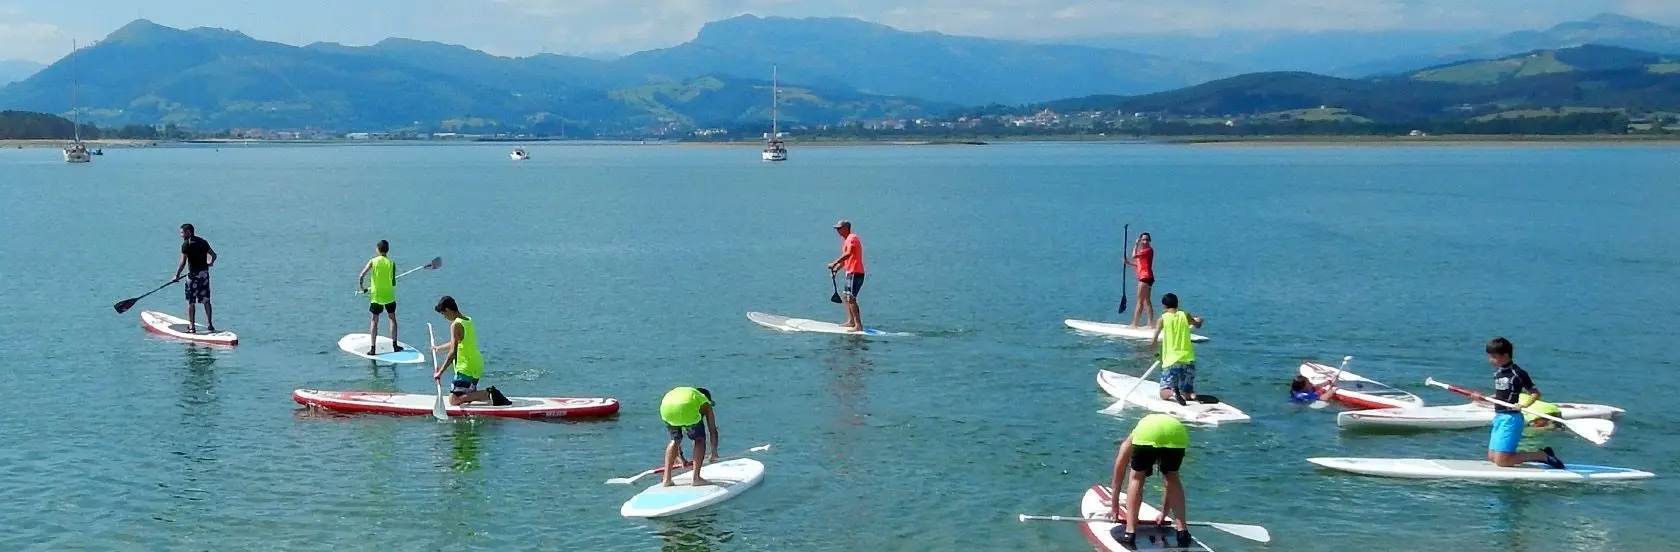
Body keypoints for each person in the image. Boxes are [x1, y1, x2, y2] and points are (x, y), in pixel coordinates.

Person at [1108, 413, 1192, 550]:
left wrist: (1114, 506)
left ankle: (1130, 533)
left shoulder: (1135, 435)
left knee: (1136, 478)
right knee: (1172, 478)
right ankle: (1182, 532)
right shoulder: (1157, 424)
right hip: (1177, 432)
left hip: (1149, 433)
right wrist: (1164, 513)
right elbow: (1168, 484)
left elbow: (1120, 467)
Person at [1480, 337, 1565, 469]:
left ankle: (1542, 455)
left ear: (1505, 355)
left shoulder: (1518, 373)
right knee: (1492, 457)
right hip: (1499, 417)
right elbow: (1502, 395)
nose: (1490, 360)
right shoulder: (1498, 373)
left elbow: (1535, 393)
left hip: (1511, 418)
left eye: (1494, 357)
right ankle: (1536, 455)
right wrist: (1484, 398)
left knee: (1503, 461)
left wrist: (1524, 406)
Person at [430, 296, 510, 407]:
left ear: (448, 310)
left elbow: (453, 353)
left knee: (454, 400)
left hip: (465, 368)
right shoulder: (468, 320)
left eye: (443, 314)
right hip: (476, 364)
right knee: (468, 395)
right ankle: (482, 395)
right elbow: (460, 341)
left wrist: (440, 372)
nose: (444, 317)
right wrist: (439, 348)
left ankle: (490, 393)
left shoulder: (455, 325)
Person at [1149, 293, 1204, 405]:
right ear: (1177, 304)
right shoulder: (1185, 315)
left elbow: (1154, 340)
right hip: (1188, 359)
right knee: (1187, 390)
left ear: (1164, 306)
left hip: (1171, 361)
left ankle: (1173, 393)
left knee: (1163, 391)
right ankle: (1192, 395)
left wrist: (1155, 353)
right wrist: (1199, 320)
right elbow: (1197, 324)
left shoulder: (1162, 319)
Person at [659, 386, 719, 487]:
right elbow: (712, 430)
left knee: (674, 440)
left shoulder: (688, 394)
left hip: (666, 406)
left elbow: (677, 438)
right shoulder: (704, 401)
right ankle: (696, 478)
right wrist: (714, 453)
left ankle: (666, 479)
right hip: (686, 406)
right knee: (699, 439)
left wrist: (681, 458)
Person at [357, 240, 401, 355]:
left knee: (374, 320)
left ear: (377, 249)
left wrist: (362, 288)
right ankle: (395, 346)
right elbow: (393, 282)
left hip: (376, 295)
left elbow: (361, 275)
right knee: (392, 318)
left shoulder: (373, 261)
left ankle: (373, 349)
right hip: (389, 295)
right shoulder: (392, 263)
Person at [173, 223, 218, 333]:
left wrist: (177, 275)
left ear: (189, 231)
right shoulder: (203, 242)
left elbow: (183, 262)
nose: (181, 235)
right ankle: (210, 325)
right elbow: (214, 255)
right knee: (206, 300)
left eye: (183, 232)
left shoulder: (186, 245)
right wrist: (209, 263)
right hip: (204, 275)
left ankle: (192, 326)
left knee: (191, 302)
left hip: (192, 276)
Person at [826, 219, 866, 332]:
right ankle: (851, 321)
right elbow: (847, 258)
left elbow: (848, 254)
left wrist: (834, 263)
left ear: (845, 228)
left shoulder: (852, 238)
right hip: (850, 272)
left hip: (856, 272)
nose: (837, 231)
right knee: (845, 296)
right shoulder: (847, 240)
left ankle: (858, 325)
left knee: (851, 298)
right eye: (837, 229)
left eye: (839, 228)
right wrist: (837, 268)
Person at [1122, 232, 1155, 327]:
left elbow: (1134, 255)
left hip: (1145, 278)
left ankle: (1134, 323)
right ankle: (1149, 324)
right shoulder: (1144, 252)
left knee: (1140, 301)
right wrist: (1128, 263)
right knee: (1146, 301)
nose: (1145, 242)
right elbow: (1140, 265)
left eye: (1147, 240)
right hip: (1148, 277)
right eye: (1143, 240)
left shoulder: (1148, 250)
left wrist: (1136, 244)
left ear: (1150, 241)